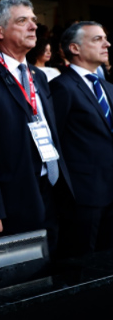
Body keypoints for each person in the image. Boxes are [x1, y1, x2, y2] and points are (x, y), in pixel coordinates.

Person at [0, 0, 72, 254]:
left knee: (51, 272)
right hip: (10, 198)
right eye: (22, 21)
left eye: (33, 20)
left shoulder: (39, 76)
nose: (33, 26)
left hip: (48, 189)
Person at [50, 22, 113, 256]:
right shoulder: (61, 87)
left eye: (105, 38)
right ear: (74, 48)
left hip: (110, 192)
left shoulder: (108, 87)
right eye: (97, 39)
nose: (107, 44)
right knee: (81, 266)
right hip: (83, 198)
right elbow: (55, 140)